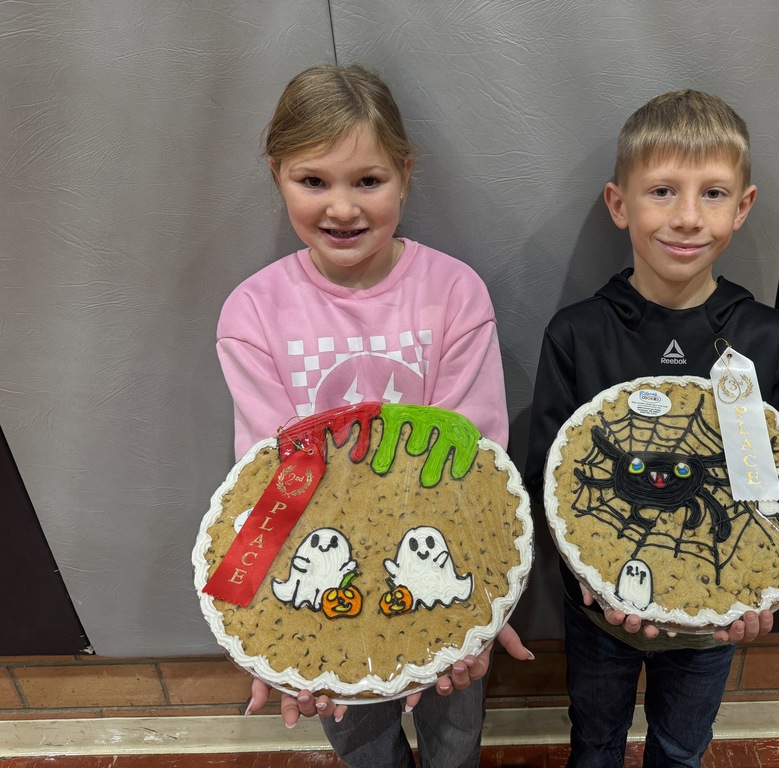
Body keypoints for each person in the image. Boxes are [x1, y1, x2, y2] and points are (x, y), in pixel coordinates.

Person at [216, 63, 531, 768]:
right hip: (324, 582)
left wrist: (486, 607)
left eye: (368, 180)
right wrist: (256, 624)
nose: (343, 208)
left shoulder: (454, 293)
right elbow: (268, 480)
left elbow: (473, 460)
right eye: (313, 181)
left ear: (406, 174)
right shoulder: (252, 313)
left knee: (455, 739)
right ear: (277, 176)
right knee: (360, 745)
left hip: (437, 570)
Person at [524, 89, 779, 767]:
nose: (687, 217)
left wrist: (771, 586)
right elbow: (551, 475)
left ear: (743, 207)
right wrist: (589, 575)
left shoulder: (767, 341)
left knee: (681, 749)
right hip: (599, 610)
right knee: (593, 742)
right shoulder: (577, 333)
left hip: (713, 621)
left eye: (712, 193)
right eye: (662, 191)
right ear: (620, 203)